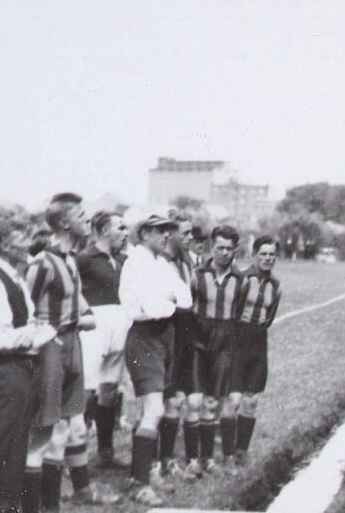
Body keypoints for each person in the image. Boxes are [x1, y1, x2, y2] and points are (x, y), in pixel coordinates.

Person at [25, 193, 117, 509]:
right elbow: (24, 311)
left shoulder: (70, 260)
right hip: (50, 349)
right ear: (64, 222)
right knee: (46, 431)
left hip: (72, 346)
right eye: (81, 214)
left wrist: (83, 317)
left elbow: (80, 307)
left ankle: (78, 493)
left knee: (71, 425)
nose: (87, 220)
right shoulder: (42, 263)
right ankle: (44, 505)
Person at [0, 217, 56, 513]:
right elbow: (1, 339)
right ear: (4, 243)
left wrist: (36, 333)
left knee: (12, 455)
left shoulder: (12, 276)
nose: (30, 242)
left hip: (17, 374)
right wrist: (43, 333)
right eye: (24, 236)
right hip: (0, 376)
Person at [119, 214, 192, 506]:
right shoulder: (136, 261)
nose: (166, 236)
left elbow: (186, 296)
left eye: (168, 231)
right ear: (146, 232)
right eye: (161, 231)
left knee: (154, 408)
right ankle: (139, 483)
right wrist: (170, 305)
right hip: (145, 337)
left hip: (164, 337)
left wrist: (170, 305)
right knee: (154, 408)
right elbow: (152, 307)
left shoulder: (160, 262)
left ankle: (141, 472)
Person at [189, 225, 246, 471]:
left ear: (235, 250)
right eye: (220, 247)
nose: (224, 253)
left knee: (213, 402)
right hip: (199, 341)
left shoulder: (240, 279)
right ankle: (191, 459)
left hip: (224, 342)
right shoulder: (197, 274)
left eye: (229, 249)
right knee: (193, 401)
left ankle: (207, 459)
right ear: (212, 247)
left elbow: (240, 313)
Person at [75, 211, 130, 469]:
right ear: (105, 230)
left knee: (110, 389)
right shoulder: (84, 259)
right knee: (86, 389)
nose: (126, 232)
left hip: (119, 324)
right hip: (95, 326)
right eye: (121, 227)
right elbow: (70, 287)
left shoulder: (123, 259)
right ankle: (74, 454)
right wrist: (85, 311)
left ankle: (105, 452)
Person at [228, 235, 283, 465]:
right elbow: (232, 310)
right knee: (233, 398)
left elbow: (269, 318)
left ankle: (241, 451)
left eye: (272, 255)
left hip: (259, 341)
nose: (268, 258)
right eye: (263, 254)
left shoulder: (276, 285)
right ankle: (227, 452)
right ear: (254, 255)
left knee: (251, 400)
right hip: (238, 338)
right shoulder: (242, 279)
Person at [159, 214, 201, 481]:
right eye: (185, 233)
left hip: (187, 333)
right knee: (168, 399)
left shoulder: (188, 261)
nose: (190, 238)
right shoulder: (161, 262)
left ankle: (172, 459)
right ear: (170, 234)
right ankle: (163, 460)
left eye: (191, 233)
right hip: (168, 332)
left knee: (184, 397)